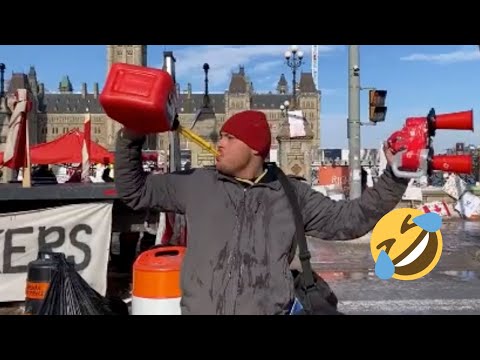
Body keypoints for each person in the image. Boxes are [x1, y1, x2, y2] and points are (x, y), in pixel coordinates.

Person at [114, 110, 409, 315]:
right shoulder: (197, 183)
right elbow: (135, 192)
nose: (219, 143)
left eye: (229, 138)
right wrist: (130, 139)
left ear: (254, 148)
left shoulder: (292, 194)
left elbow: (350, 220)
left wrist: (394, 177)